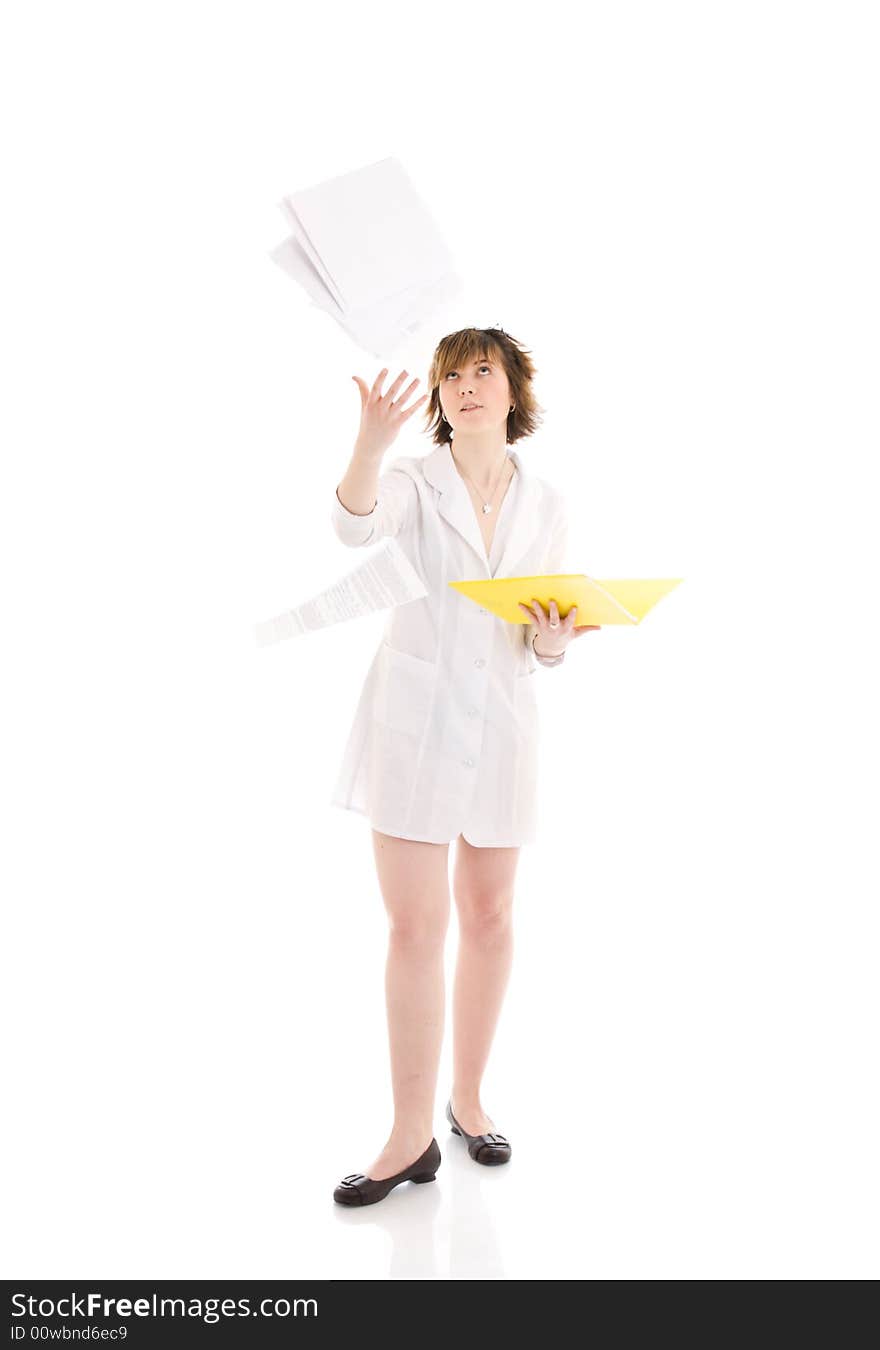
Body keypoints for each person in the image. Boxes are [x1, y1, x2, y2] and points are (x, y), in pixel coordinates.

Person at [330, 328, 600, 1207]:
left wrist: (554, 639)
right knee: (415, 928)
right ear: (440, 402)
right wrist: (370, 444)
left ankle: (469, 1100)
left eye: (483, 371)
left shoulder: (548, 500)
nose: (466, 386)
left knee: (489, 915)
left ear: (514, 390)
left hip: (502, 729)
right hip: (412, 722)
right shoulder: (413, 481)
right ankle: (409, 1138)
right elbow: (352, 526)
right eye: (452, 376)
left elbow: (539, 633)